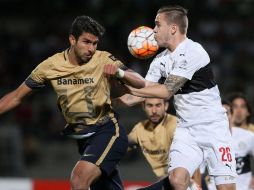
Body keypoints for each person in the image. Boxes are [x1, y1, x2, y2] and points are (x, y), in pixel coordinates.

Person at [0, 15, 145, 190]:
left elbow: (140, 82)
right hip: (83, 140)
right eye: (86, 42)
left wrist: (120, 73)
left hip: (107, 131)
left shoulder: (103, 59)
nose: (91, 48)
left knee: (79, 179)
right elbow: (16, 96)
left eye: (95, 43)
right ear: (72, 39)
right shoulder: (50, 66)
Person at [105, 5, 237, 190]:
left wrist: (122, 77)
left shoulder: (193, 51)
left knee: (226, 188)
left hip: (214, 129)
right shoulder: (160, 60)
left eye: (157, 25)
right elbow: (140, 94)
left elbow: (165, 92)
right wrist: (108, 103)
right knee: (177, 179)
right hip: (186, 130)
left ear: (173, 28)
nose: (154, 30)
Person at [126, 98, 201, 189]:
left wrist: (197, 186)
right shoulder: (139, 129)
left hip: (182, 182)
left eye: (158, 105)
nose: (154, 111)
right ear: (143, 107)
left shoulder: (175, 125)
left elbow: (191, 157)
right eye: (149, 105)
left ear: (166, 106)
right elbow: (120, 147)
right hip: (164, 181)